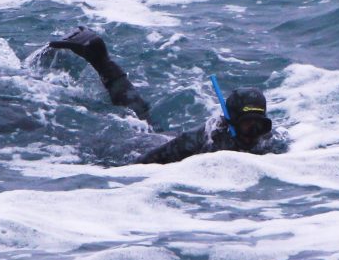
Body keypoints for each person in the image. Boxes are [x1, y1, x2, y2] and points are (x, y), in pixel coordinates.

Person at [48, 27, 286, 164]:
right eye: (248, 127)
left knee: (142, 117)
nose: (254, 134)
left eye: (260, 126)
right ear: (231, 124)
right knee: (136, 119)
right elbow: (143, 164)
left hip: (162, 137)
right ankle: (98, 57)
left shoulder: (265, 141)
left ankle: (100, 58)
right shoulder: (205, 140)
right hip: (140, 148)